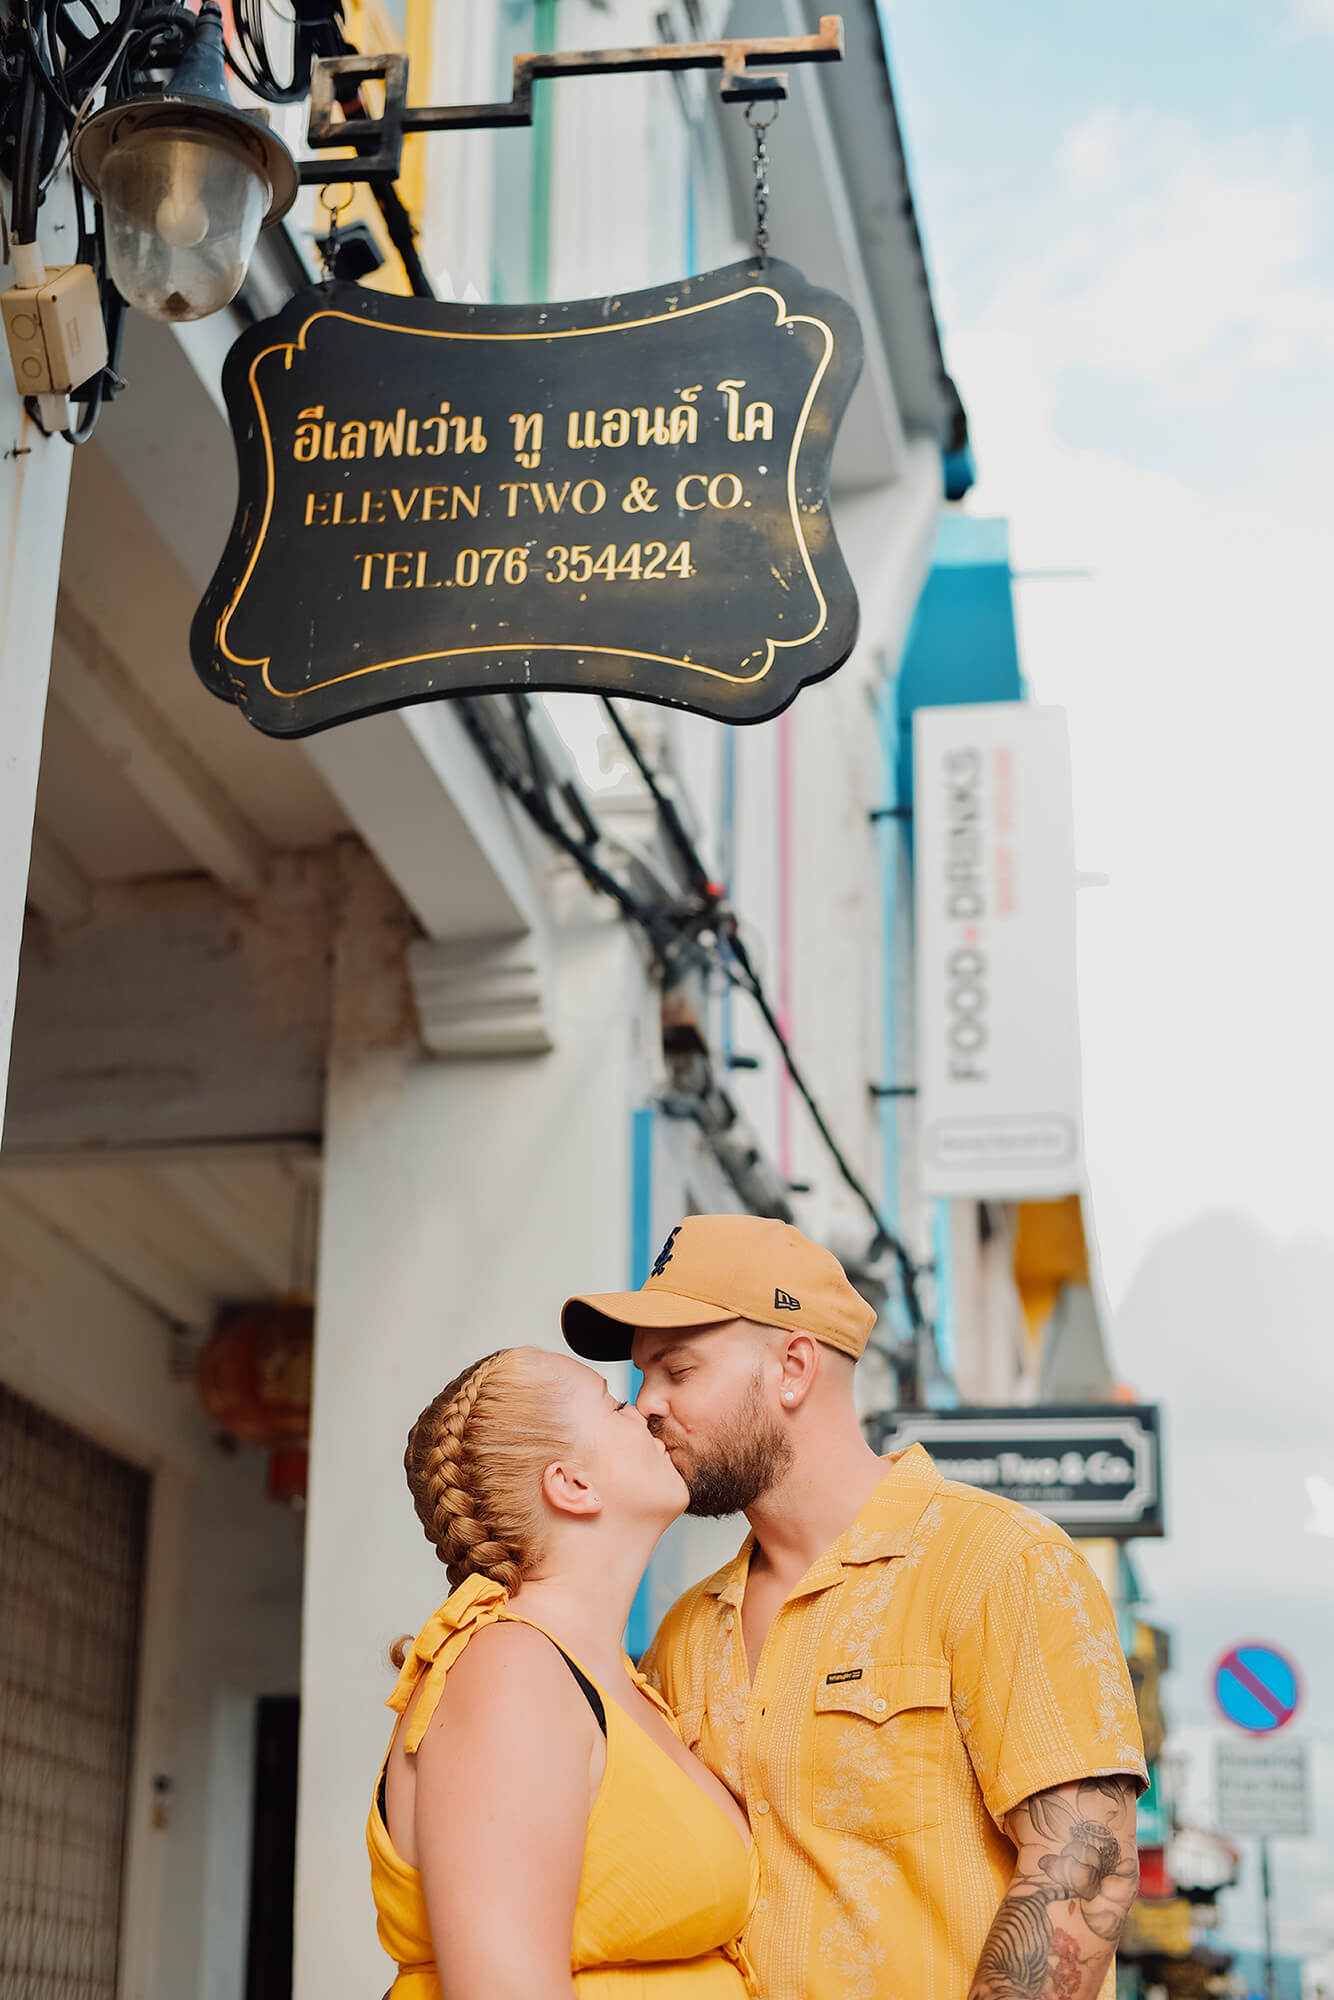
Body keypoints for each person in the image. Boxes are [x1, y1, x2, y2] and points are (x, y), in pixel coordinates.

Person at [563, 1213, 1149, 2000]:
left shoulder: (1001, 1564)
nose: (646, 1406)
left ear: (793, 1368)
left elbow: (1085, 1867)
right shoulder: (683, 1635)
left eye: (678, 1370)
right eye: (642, 1378)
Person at [368, 1345, 758, 1999]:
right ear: (571, 1484)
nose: (644, 1412)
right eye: (614, 1405)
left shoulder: (618, 1681)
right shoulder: (510, 1672)